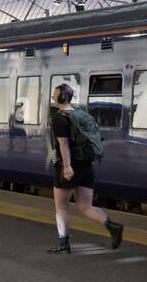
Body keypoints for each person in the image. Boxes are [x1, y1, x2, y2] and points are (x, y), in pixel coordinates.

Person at [47, 82, 124, 254]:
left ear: (61, 97)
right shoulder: (82, 115)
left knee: (61, 206)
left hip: (68, 168)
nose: (53, 98)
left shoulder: (59, 118)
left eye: (54, 95)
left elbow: (63, 144)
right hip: (87, 166)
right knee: (85, 206)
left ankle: (64, 244)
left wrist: (67, 167)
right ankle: (112, 226)